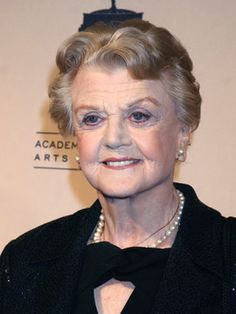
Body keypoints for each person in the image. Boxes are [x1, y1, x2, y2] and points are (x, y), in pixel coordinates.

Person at [0, 19, 235, 314]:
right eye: (92, 119)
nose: (113, 139)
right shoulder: (24, 260)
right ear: (74, 135)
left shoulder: (229, 257)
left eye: (139, 115)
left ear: (184, 130)